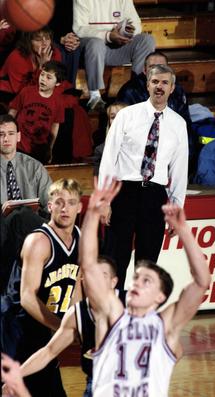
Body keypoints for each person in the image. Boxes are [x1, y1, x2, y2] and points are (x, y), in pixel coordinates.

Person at [79, 178, 211, 396]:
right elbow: (89, 266)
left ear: (160, 296)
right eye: (136, 278)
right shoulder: (111, 313)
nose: (135, 283)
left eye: (146, 281)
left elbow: (201, 282)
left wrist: (184, 231)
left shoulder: (165, 325)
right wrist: (93, 214)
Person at [99, 64, 189, 289]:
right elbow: (109, 158)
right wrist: (104, 200)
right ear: (148, 84)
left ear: (172, 88)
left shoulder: (179, 124)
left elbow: (179, 170)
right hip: (124, 192)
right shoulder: (126, 115)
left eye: (165, 83)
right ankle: (112, 313)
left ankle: (140, 317)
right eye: (155, 81)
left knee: (147, 265)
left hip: (155, 196)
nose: (159, 86)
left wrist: (176, 208)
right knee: (115, 260)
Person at [1, 178, 83, 397]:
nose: (65, 208)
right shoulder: (39, 241)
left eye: (71, 202)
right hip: (15, 325)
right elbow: (27, 297)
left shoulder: (80, 238)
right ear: (49, 206)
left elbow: (75, 285)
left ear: (80, 206)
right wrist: (60, 327)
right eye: (59, 202)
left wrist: (78, 323)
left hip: (42, 327)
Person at [6, 257, 123, 397]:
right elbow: (48, 352)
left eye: (102, 275)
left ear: (113, 282)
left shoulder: (135, 305)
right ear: (83, 281)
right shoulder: (77, 314)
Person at [0, 114, 52, 292]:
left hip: (31, 228)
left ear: (19, 136)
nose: (6, 138)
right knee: (16, 217)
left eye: (10, 133)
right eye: (1, 134)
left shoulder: (34, 166)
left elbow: (50, 203)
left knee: (23, 216)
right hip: (2, 228)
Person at [72, 0, 155, 110]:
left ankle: (138, 88)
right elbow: (79, 29)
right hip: (92, 50)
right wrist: (108, 36)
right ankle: (95, 96)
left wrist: (125, 33)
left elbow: (136, 23)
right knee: (96, 43)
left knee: (147, 40)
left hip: (117, 46)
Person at [8, 60, 66, 164]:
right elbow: (12, 113)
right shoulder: (26, 92)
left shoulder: (59, 102)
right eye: (42, 74)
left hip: (39, 149)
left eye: (49, 77)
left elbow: (55, 125)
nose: (43, 79)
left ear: (58, 83)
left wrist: (50, 148)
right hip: (19, 145)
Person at [0, 26, 62, 99]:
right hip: (9, 96)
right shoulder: (16, 57)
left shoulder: (55, 53)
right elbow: (23, 94)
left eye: (47, 38)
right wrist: (43, 67)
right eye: (38, 39)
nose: (44, 43)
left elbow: (56, 84)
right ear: (29, 41)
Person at [49, 0, 81, 85]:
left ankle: (69, 92)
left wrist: (73, 40)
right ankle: (57, 92)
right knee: (59, 52)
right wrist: (60, 39)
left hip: (66, 37)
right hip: (47, 37)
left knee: (74, 51)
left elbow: (79, 24)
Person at [91, 101, 128, 176]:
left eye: (121, 116)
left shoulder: (144, 144)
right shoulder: (101, 149)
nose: (117, 120)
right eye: (113, 117)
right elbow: (99, 180)